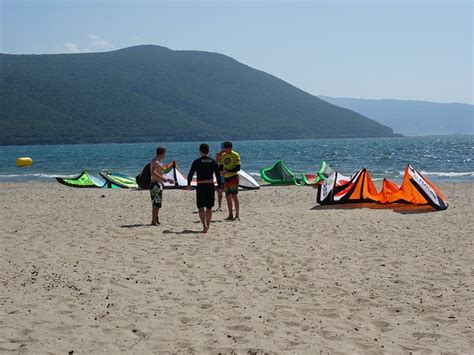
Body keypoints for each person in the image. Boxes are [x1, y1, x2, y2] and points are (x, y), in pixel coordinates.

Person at [187, 143, 222, 233]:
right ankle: (208, 225)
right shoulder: (213, 161)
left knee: (201, 207)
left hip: (201, 186)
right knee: (209, 208)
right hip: (210, 185)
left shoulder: (196, 161)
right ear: (208, 151)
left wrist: (189, 184)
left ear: (200, 151)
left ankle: (204, 225)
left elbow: (190, 174)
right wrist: (219, 186)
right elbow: (218, 175)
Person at [150, 146, 174, 226]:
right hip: (155, 184)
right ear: (162, 153)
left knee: (158, 203)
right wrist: (163, 178)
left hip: (159, 184)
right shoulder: (155, 162)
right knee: (156, 204)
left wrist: (167, 179)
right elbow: (153, 172)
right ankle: (153, 221)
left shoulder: (159, 162)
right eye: (165, 153)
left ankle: (156, 219)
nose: (165, 155)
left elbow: (160, 173)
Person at [221, 141, 241, 221]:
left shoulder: (235, 155)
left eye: (227, 148)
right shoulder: (223, 155)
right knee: (228, 197)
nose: (225, 150)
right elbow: (221, 165)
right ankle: (230, 214)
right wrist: (221, 171)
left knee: (234, 196)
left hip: (233, 177)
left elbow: (238, 168)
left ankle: (237, 215)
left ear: (230, 148)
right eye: (224, 148)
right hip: (226, 178)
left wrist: (228, 171)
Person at [215, 145, 225, 211]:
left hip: (226, 175)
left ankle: (220, 206)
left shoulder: (230, 155)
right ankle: (219, 205)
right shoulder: (218, 154)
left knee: (229, 191)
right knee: (220, 191)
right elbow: (216, 165)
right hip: (220, 175)